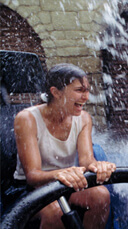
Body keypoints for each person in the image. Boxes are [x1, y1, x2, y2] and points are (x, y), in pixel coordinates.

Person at [13, 63, 116, 229]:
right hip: (28, 188)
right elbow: (32, 175)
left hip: (63, 183)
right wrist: (64, 173)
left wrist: (100, 166)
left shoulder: (84, 119)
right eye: (79, 90)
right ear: (56, 92)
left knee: (100, 196)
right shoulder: (26, 119)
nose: (86, 97)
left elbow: (86, 161)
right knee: (55, 213)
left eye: (87, 90)